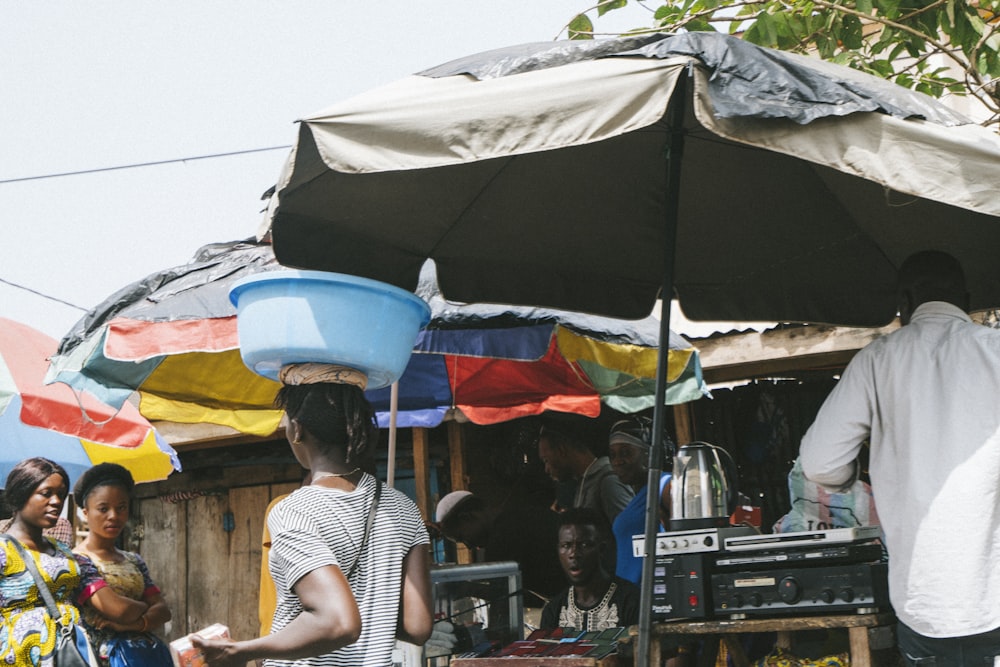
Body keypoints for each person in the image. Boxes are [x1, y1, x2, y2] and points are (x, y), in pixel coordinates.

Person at [799, 250, 1000, 665]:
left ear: (904, 302)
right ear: (965, 297)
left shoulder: (876, 361)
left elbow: (820, 463)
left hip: (922, 603)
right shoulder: (995, 349)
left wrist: (852, 473)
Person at [193, 368, 433, 667]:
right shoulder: (403, 507)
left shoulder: (293, 511)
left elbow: (339, 623)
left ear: (297, 429)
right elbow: (418, 626)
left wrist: (242, 650)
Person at [0, 457, 148, 666]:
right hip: (18, 658)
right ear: (21, 493)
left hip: (69, 655)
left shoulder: (63, 552)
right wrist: (147, 606)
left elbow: (107, 602)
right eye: (46, 493)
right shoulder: (3, 551)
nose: (57, 501)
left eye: (61, 494)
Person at [73, 462, 173, 667]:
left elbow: (164, 611)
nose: (113, 516)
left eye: (121, 508)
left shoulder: (134, 560)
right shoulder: (78, 561)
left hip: (141, 656)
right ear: (85, 512)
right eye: (103, 508)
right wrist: (146, 607)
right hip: (98, 658)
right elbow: (119, 610)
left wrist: (136, 624)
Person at [434, 490, 564, 606]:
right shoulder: (521, 511)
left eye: (462, 537)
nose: (468, 546)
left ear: (467, 518)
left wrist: (468, 589)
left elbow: (517, 599)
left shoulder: (500, 541)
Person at [539, 507, 639, 631]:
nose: (573, 554)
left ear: (601, 549)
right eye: (566, 545)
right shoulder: (554, 611)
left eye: (584, 545)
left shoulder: (631, 601)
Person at [607, 416, 673, 585]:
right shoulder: (641, 494)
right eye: (613, 455)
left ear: (649, 453)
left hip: (651, 599)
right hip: (632, 601)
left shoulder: (664, 484)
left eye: (626, 452)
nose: (617, 462)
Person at [536, 420, 633, 526]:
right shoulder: (586, 481)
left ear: (561, 450)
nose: (546, 469)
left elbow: (630, 531)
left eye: (546, 460)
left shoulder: (608, 481)